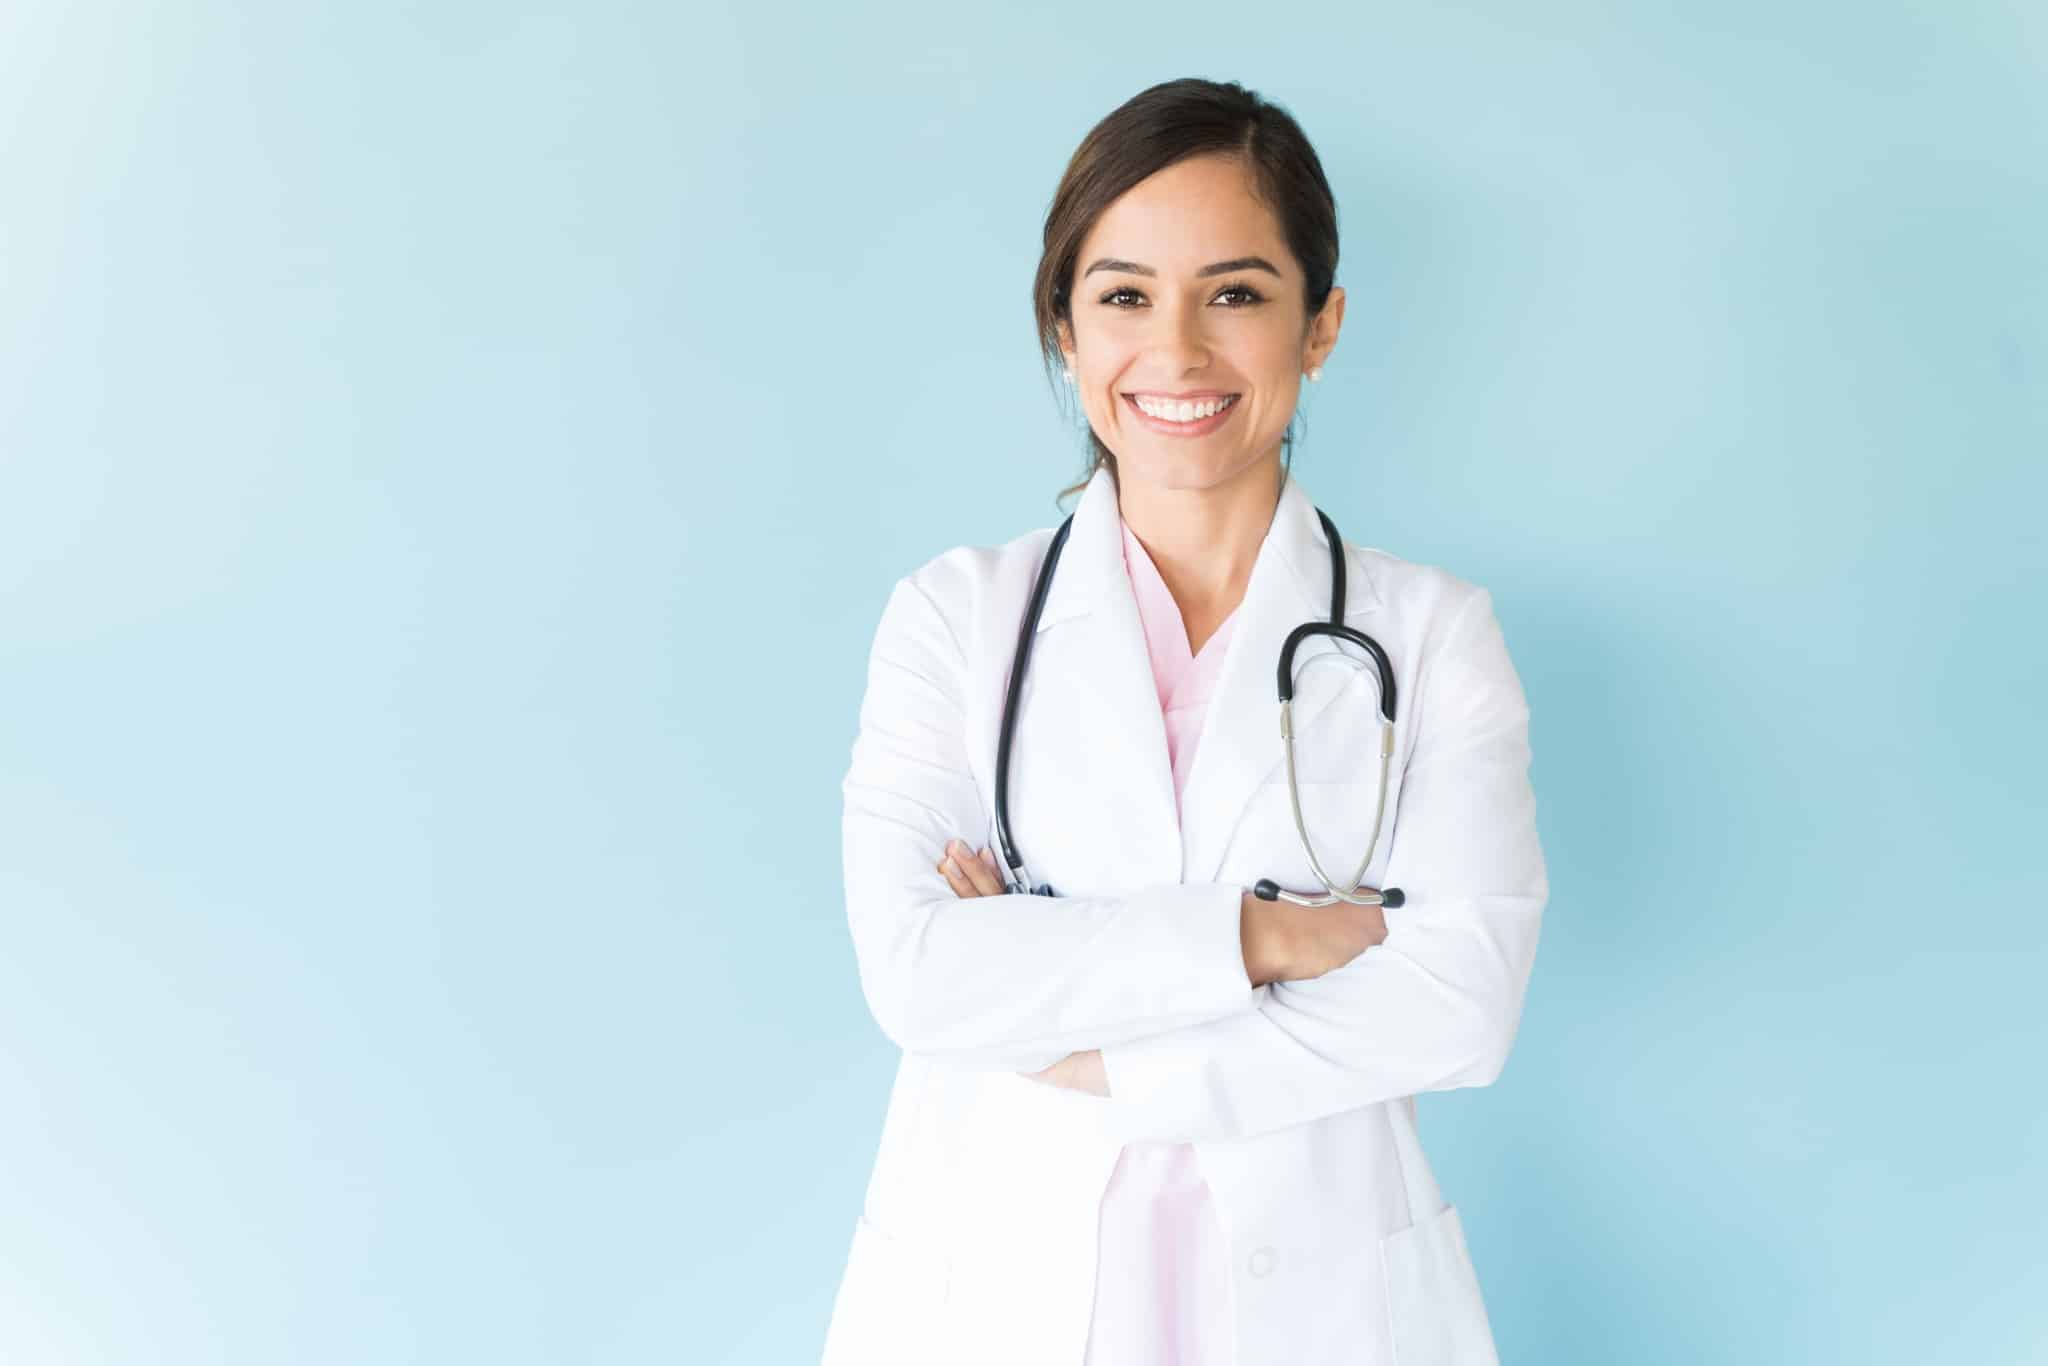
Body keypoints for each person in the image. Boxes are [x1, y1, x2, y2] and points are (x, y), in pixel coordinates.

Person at [823, 77, 1548, 1366]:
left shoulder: (1432, 635)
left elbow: (1461, 1006)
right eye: (1122, 297)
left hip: (1322, 1298)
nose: (1177, 353)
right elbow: (922, 976)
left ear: (1319, 325)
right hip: (995, 1289)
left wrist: (1093, 1042)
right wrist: (1266, 936)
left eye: (1235, 293)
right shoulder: (954, 619)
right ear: (1064, 329)